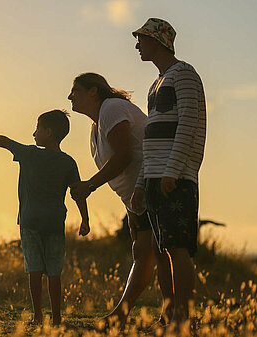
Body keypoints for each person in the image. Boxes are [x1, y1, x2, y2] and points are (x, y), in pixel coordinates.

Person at [0, 109, 90, 325]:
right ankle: (56, 318)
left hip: (30, 222)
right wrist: (85, 219)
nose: (34, 134)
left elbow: (3, 141)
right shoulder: (68, 162)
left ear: (48, 132)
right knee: (54, 272)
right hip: (55, 223)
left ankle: (38, 316)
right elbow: (78, 192)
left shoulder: (30, 153)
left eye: (37, 129)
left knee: (34, 270)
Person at [67, 73, 170, 328]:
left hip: (153, 185)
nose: (70, 96)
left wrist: (90, 185)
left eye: (76, 90)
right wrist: (130, 204)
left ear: (94, 92)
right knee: (144, 252)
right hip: (137, 195)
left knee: (160, 251)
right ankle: (129, 315)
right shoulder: (97, 124)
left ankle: (168, 317)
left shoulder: (111, 108)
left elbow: (124, 156)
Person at [130, 18, 207, 329]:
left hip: (175, 177)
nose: (137, 45)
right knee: (161, 251)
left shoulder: (185, 74)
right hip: (154, 178)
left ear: (159, 42)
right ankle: (169, 315)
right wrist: (140, 183)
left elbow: (189, 126)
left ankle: (182, 319)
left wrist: (173, 171)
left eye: (142, 39)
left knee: (177, 248)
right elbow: (152, 139)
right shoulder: (157, 83)